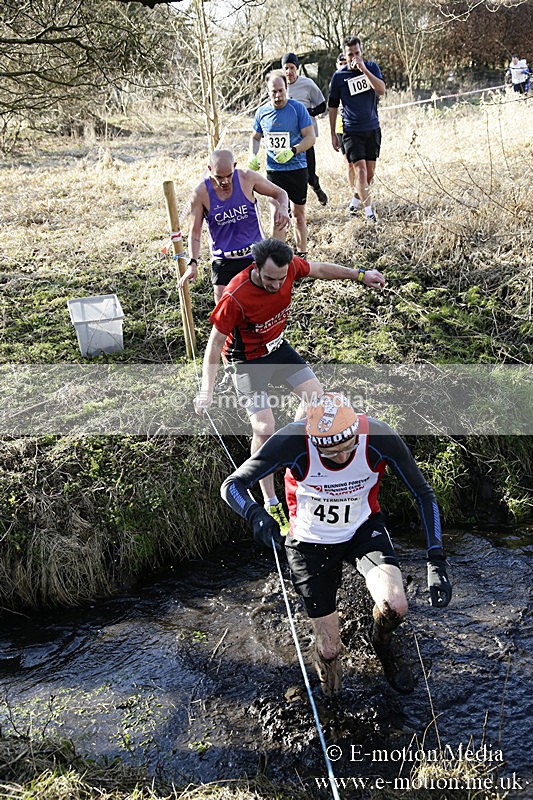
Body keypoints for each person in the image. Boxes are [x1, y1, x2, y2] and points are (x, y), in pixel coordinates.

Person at [221, 392, 452, 697]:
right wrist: (256, 516)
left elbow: (424, 494)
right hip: (309, 543)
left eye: (348, 447)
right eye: (331, 453)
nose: (342, 457)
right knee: (330, 649)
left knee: (395, 606)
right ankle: (331, 697)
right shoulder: (292, 441)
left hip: (362, 530)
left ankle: (381, 642)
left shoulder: (378, 436)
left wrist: (436, 560)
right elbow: (231, 485)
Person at [195, 241, 385, 531]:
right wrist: (206, 391)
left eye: (281, 279)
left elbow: (320, 270)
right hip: (246, 360)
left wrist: (360, 275)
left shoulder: (290, 267)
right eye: (270, 279)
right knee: (264, 427)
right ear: (256, 267)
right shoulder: (235, 295)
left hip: (277, 348)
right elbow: (214, 345)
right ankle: (271, 502)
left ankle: (295, 457)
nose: (276, 285)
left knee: (316, 402)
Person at [178, 149, 290, 303]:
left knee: (260, 306)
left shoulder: (247, 178)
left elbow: (280, 193)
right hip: (224, 260)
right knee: (223, 310)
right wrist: (192, 263)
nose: (225, 181)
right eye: (219, 177)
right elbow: (195, 233)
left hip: (255, 256)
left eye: (229, 175)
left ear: (235, 166)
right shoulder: (200, 193)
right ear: (209, 169)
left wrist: (283, 208)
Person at [249, 73, 316, 258]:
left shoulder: (297, 109)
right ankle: (279, 260)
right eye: (274, 92)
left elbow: (310, 137)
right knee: (277, 216)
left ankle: (302, 256)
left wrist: (293, 150)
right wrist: (252, 155)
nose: (278, 96)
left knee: (298, 215)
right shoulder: (262, 112)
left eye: (281, 91)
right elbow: (255, 137)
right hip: (274, 172)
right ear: (267, 92)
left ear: (287, 89)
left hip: (297, 169)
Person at [328, 36, 386, 223]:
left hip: (372, 128)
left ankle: (354, 201)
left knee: (369, 173)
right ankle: (369, 213)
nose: (354, 57)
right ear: (344, 55)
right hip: (351, 130)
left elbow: (381, 90)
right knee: (360, 171)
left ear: (362, 52)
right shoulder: (339, 77)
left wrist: (364, 70)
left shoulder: (372, 67)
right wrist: (332, 134)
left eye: (357, 53)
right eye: (350, 54)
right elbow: (332, 106)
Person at [281, 53, 328, 206]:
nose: (289, 72)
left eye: (292, 68)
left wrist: (308, 112)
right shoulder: (279, 87)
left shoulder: (307, 84)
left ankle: (316, 187)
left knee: (309, 175)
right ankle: (288, 207)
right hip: (287, 138)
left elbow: (322, 106)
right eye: (286, 68)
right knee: (286, 175)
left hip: (306, 137)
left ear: (297, 68)